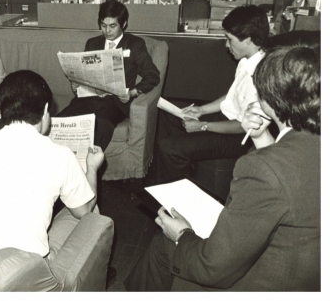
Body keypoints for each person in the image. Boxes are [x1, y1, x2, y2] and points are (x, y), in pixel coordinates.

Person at [124, 31, 320, 291]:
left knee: (164, 245)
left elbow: (212, 267)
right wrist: (262, 138)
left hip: (267, 281)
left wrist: (181, 234)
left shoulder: (262, 169)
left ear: (269, 93)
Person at [0, 70, 104, 257]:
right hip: (23, 273)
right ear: (45, 112)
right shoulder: (60, 155)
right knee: (92, 209)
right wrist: (92, 168)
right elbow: (84, 211)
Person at [153, 5, 269, 184]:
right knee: (167, 117)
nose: (226, 45)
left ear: (248, 39)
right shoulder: (246, 60)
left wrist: (202, 126)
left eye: (230, 40)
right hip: (225, 118)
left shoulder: (261, 74)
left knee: (170, 148)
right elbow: (231, 96)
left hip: (237, 136)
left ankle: (176, 199)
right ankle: (177, 173)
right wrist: (201, 110)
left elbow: (243, 126)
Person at [57, 0, 160, 151]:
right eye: (103, 25)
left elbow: (152, 75)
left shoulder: (135, 44)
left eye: (113, 26)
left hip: (115, 103)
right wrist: (77, 85)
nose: (107, 31)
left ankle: (90, 166)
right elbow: (84, 72)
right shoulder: (92, 43)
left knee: (102, 125)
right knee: (61, 121)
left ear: (123, 24)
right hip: (89, 98)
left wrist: (132, 93)